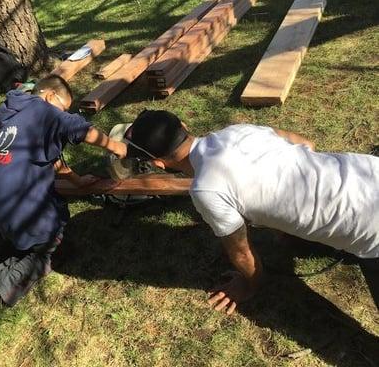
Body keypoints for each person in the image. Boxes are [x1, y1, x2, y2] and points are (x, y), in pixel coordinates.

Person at [124, 110, 379, 315]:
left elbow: (241, 252)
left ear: (159, 164)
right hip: (368, 172)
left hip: (371, 230)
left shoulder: (207, 190)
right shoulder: (238, 131)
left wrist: (249, 285)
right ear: (184, 124)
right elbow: (306, 144)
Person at [0, 74, 127, 333]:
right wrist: (115, 147)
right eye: (63, 108)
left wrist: (76, 181)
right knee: (49, 242)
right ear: (49, 96)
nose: (62, 114)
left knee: (25, 236)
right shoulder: (45, 110)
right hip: (17, 197)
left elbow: (51, 157)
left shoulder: (12, 110)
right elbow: (83, 130)